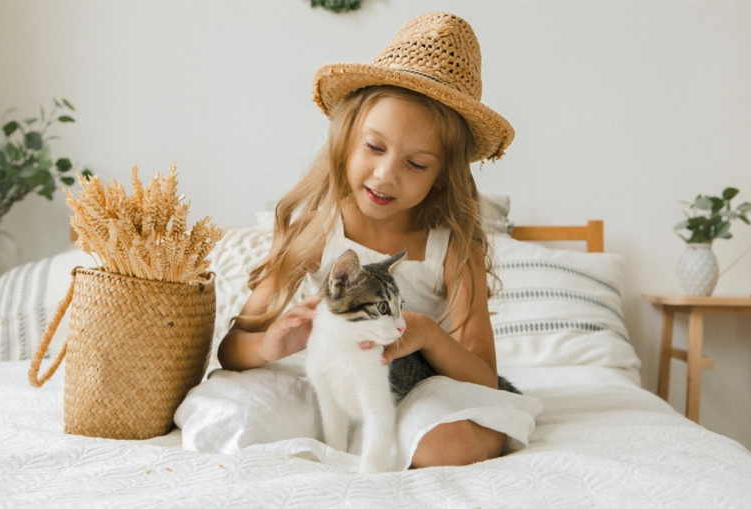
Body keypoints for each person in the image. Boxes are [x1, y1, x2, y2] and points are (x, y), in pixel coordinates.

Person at [175, 11, 541, 470]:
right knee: (227, 420)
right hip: (328, 382)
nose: (386, 175)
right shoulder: (316, 228)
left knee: (448, 447)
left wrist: (424, 333)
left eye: (417, 163)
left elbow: (483, 379)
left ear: (444, 174)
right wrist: (272, 343)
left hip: (414, 387)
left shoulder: (454, 247)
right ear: (348, 138)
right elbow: (233, 350)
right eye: (375, 147)